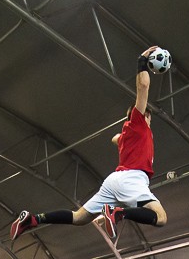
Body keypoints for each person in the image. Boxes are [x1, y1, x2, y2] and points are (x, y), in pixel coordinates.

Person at [10, 45, 168, 243]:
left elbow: (115, 138)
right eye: (149, 117)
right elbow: (143, 86)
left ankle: (33, 219)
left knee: (80, 218)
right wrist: (142, 61)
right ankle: (118, 213)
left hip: (113, 181)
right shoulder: (139, 124)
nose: (149, 120)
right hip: (132, 179)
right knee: (161, 218)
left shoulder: (127, 135)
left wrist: (121, 139)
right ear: (144, 117)